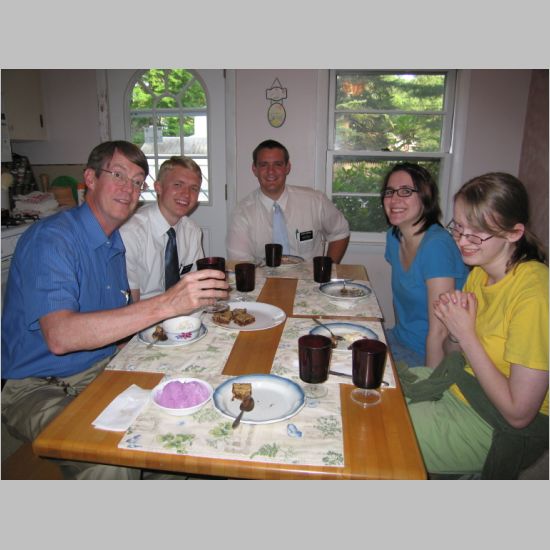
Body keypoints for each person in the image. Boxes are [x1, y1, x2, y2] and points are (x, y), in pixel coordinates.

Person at [1, 141, 228, 479]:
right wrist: (168, 303)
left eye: (137, 181)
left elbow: (118, 326)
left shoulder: (114, 243)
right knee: (111, 458)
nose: (128, 188)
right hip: (37, 385)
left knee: (180, 424)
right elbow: (60, 337)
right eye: (118, 175)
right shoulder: (52, 239)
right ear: (90, 178)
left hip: (99, 369)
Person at [400, 172, 548, 478]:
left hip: (497, 422)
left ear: (514, 233)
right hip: (464, 386)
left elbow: (519, 414)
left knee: (382, 433)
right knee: (374, 393)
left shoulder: (535, 295)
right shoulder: (480, 273)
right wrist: (455, 330)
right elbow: (455, 354)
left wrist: (466, 335)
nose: (462, 241)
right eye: (458, 227)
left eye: (477, 233)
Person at [382, 163, 468, 368]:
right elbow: (400, 302)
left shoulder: (436, 247)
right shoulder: (394, 236)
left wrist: (429, 381)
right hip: (399, 339)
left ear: (426, 196)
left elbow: (441, 331)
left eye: (405, 191)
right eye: (389, 192)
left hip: (428, 355)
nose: (394, 199)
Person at [226, 139, 350, 263]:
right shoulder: (242, 214)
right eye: (264, 165)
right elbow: (240, 262)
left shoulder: (315, 201)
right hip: (263, 275)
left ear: (287, 167)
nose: (271, 171)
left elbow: (340, 232)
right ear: (255, 169)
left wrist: (328, 268)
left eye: (278, 164)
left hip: (309, 275)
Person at [120, 156, 204, 302]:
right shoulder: (131, 233)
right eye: (178, 185)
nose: (186, 194)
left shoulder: (192, 231)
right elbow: (130, 303)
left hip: (181, 310)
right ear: (158, 187)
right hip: (143, 311)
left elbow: (195, 287)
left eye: (194, 188)